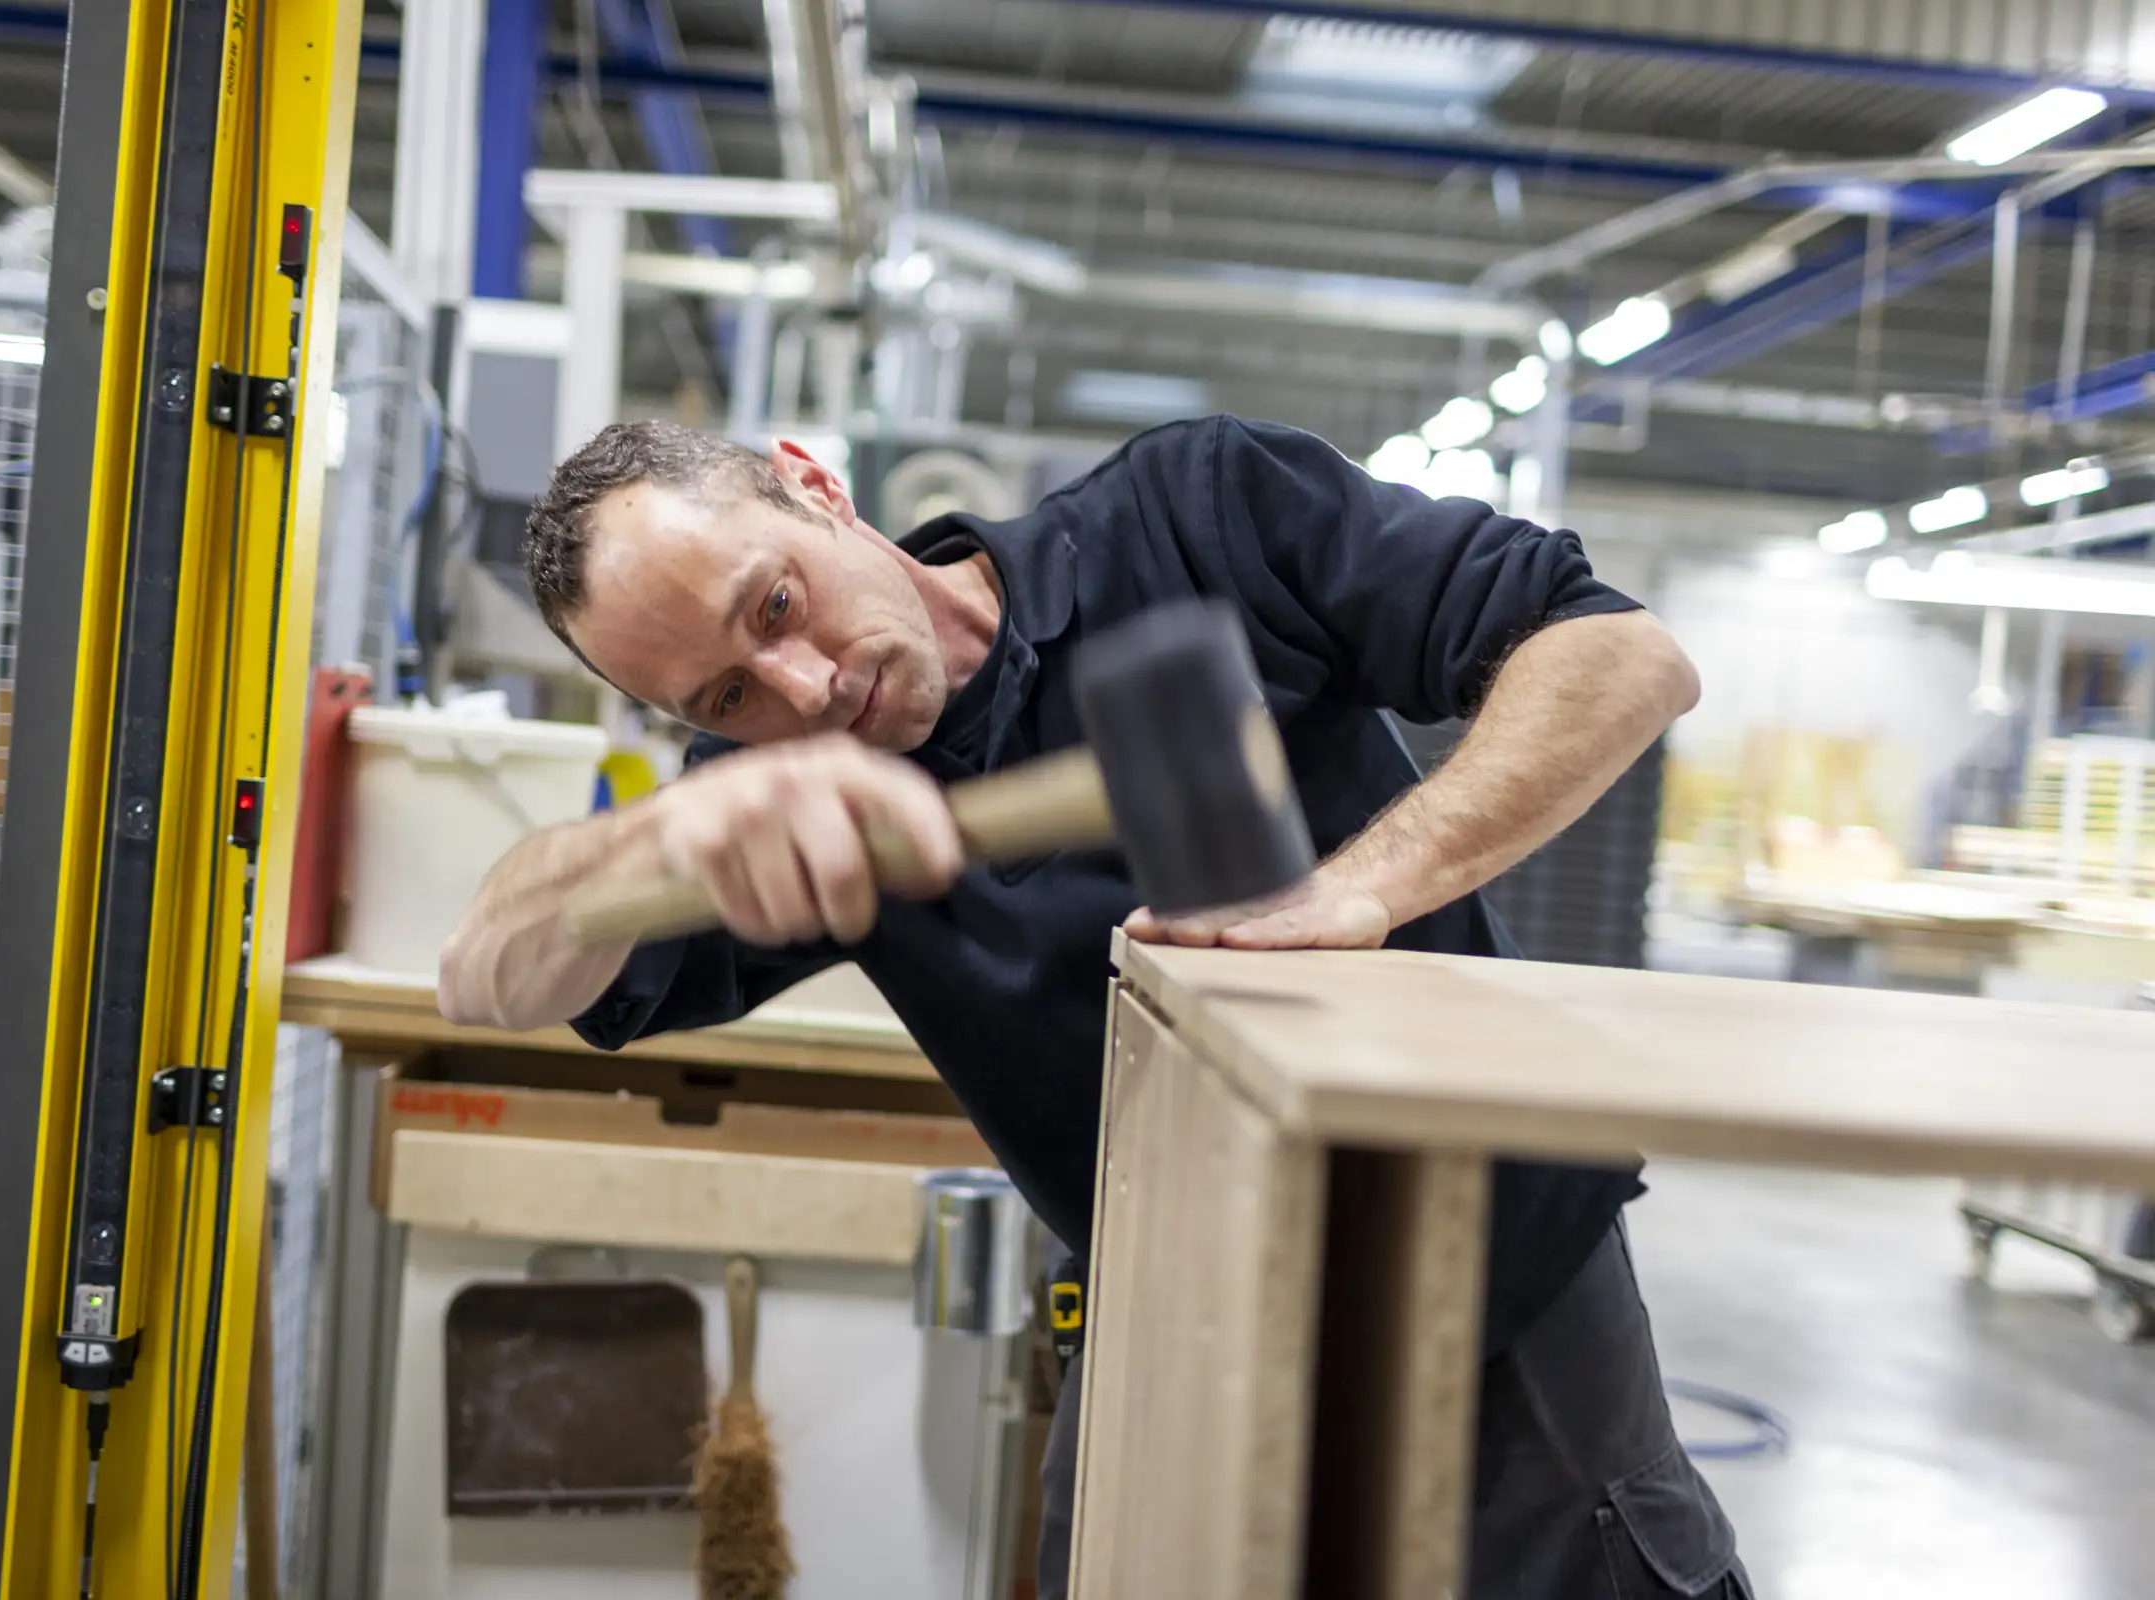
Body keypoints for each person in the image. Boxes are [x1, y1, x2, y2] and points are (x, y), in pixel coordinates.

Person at [438, 415, 1752, 1599]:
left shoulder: (1194, 516)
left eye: (777, 603)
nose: (801, 687)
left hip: (1482, 1266)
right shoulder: (781, 802)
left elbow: (1622, 652)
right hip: (1171, 1319)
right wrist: (644, 841)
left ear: (814, 486)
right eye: (723, 697)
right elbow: (481, 975)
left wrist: (1368, 884)